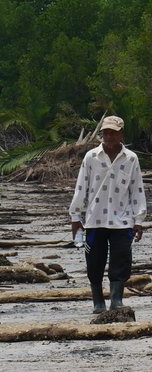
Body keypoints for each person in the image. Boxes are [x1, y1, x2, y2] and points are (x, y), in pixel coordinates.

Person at [69, 115, 145, 313]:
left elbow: (136, 189)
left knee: (121, 260)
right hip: (95, 219)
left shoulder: (131, 159)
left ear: (121, 134)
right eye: (105, 132)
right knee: (94, 261)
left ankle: (116, 300)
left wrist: (138, 220)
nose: (109, 136)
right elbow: (81, 188)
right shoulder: (91, 157)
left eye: (113, 132)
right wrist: (75, 217)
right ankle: (97, 302)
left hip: (122, 220)